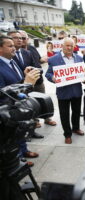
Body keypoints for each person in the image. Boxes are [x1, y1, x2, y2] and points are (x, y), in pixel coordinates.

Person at [0, 35, 41, 167]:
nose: (14, 48)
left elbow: (15, 81)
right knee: (12, 139)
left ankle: (24, 151)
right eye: (10, 46)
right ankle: (18, 161)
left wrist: (24, 75)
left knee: (21, 131)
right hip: (8, 112)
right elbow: (3, 93)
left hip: (20, 107)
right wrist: (26, 83)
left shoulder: (12, 60)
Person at [46, 38, 85, 144]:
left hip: (76, 90)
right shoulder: (53, 59)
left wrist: (84, 78)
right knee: (64, 114)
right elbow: (48, 74)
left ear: (74, 47)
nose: (69, 48)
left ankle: (76, 128)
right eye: (67, 45)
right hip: (63, 92)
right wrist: (53, 78)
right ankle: (67, 134)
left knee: (76, 112)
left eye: (71, 46)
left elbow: (83, 72)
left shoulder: (79, 58)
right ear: (62, 46)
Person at [8, 31, 45, 139]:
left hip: (31, 85)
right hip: (16, 93)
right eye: (16, 38)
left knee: (31, 109)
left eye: (22, 38)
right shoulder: (10, 56)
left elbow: (36, 65)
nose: (20, 40)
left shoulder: (27, 52)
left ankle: (31, 131)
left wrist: (33, 72)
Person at [19, 30, 57, 128]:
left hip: (39, 81)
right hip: (27, 83)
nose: (22, 40)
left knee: (43, 100)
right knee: (30, 102)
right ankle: (35, 121)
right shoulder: (17, 52)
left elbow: (38, 60)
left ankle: (47, 118)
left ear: (28, 39)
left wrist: (43, 60)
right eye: (20, 38)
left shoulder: (32, 48)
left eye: (24, 38)